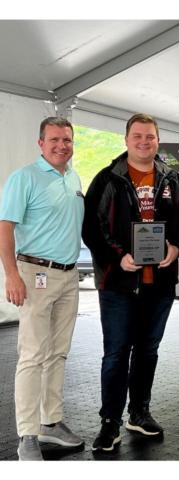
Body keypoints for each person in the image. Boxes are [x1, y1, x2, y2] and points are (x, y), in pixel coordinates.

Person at [82, 113, 179, 452]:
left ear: (158, 140)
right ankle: (109, 422)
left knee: (148, 350)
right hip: (118, 284)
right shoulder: (107, 179)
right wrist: (118, 258)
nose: (144, 142)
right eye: (138, 136)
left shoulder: (172, 179)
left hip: (158, 284)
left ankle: (139, 413)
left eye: (150, 137)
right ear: (126, 140)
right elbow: (92, 229)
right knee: (116, 353)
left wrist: (177, 247)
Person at [0, 117, 85, 461]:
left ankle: (51, 422)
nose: (61, 145)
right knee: (33, 355)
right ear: (40, 143)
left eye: (67, 139)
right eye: (54, 139)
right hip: (34, 273)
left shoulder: (74, 177)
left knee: (58, 353)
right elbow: (5, 229)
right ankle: (27, 436)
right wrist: (11, 275)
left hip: (68, 276)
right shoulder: (24, 178)